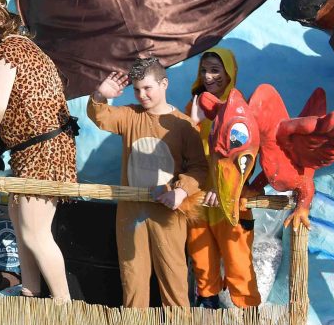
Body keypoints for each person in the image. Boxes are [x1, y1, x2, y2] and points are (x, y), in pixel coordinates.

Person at [0, 0, 76, 301]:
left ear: (0, 20)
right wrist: (1, 138)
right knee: (19, 218)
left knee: (35, 232)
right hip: (38, 148)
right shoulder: (26, 48)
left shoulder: (5, 52)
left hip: (43, 152)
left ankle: (63, 304)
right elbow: (29, 108)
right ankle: (30, 289)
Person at [87, 57, 207, 308]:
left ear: (164, 84)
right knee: (132, 279)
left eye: (147, 88)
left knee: (174, 279)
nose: (142, 95)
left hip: (168, 215)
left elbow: (199, 168)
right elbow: (101, 116)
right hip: (131, 214)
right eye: (137, 89)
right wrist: (100, 95)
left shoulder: (184, 125)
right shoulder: (130, 115)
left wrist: (181, 191)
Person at [186, 48, 261, 308]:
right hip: (199, 200)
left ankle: (249, 320)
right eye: (204, 70)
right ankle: (209, 314)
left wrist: (224, 189)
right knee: (202, 260)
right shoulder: (194, 106)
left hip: (229, 200)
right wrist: (193, 122)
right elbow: (185, 150)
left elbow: (244, 158)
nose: (209, 76)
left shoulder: (239, 112)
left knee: (237, 262)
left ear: (229, 72)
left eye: (215, 70)